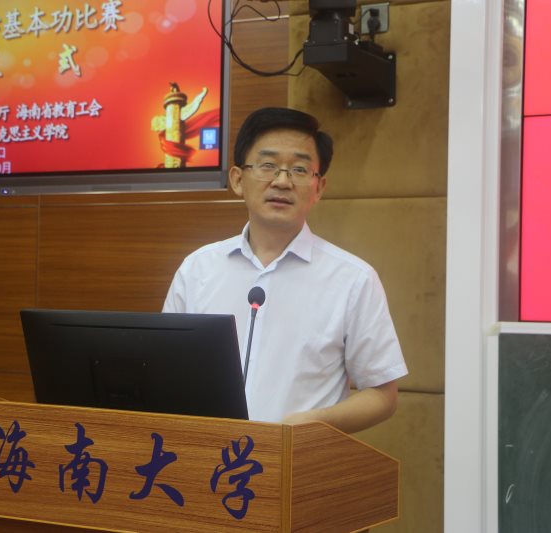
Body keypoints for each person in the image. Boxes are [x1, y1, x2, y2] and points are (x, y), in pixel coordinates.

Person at [163, 107, 407, 433]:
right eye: (268, 166)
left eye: (299, 169)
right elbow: (166, 371)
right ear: (238, 180)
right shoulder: (197, 269)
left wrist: (316, 423)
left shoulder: (353, 279)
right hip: (207, 455)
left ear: (319, 187)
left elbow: (382, 394)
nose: (282, 181)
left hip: (297, 459)